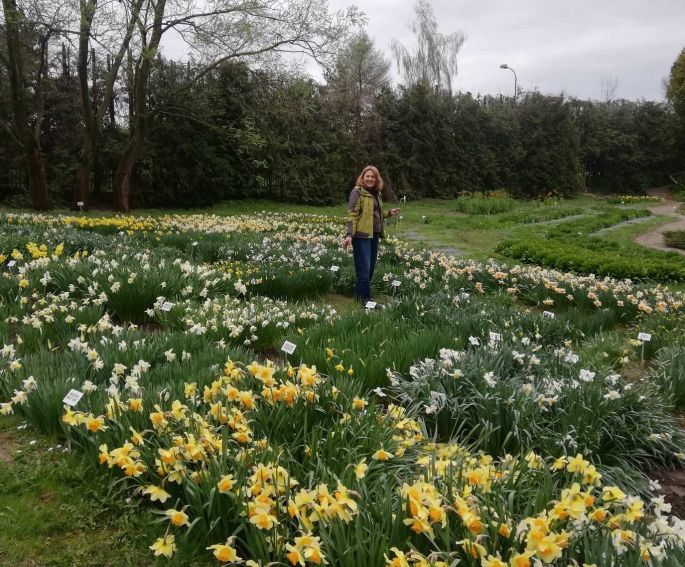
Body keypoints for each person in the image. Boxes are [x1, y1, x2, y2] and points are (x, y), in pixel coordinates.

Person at [342, 165, 400, 305]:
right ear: (362, 177)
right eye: (367, 176)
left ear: (376, 179)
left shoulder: (376, 193)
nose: (370, 179)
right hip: (361, 236)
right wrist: (350, 235)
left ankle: (358, 296)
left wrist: (388, 214)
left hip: (373, 235)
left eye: (373, 176)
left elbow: (375, 215)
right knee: (364, 268)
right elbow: (352, 215)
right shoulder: (357, 192)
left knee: (370, 269)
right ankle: (366, 301)